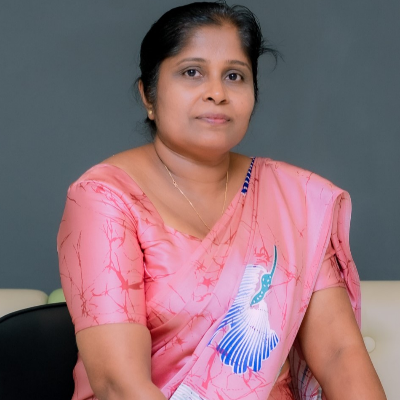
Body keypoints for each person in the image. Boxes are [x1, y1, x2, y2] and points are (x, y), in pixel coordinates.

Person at [57, 2, 386, 399]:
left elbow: (339, 355)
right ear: (149, 94)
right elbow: (118, 384)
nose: (217, 93)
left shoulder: (293, 200)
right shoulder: (104, 198)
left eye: (234, 76)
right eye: (191, 72)